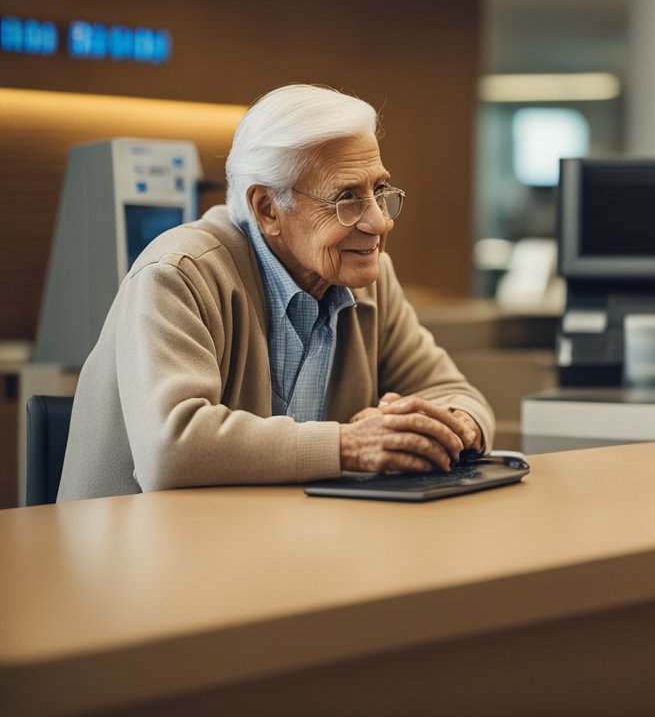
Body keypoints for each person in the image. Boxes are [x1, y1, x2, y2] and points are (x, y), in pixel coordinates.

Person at [58, 84, 493, 500]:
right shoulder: (177, 274)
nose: (380, 222)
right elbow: (169, 451)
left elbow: (455, 393)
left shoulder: (370, 281)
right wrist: (349, 445)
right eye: (346, 198)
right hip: (138, 544)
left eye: (378, 191)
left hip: (270, 537)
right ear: (267, 209)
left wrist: (456, 426)